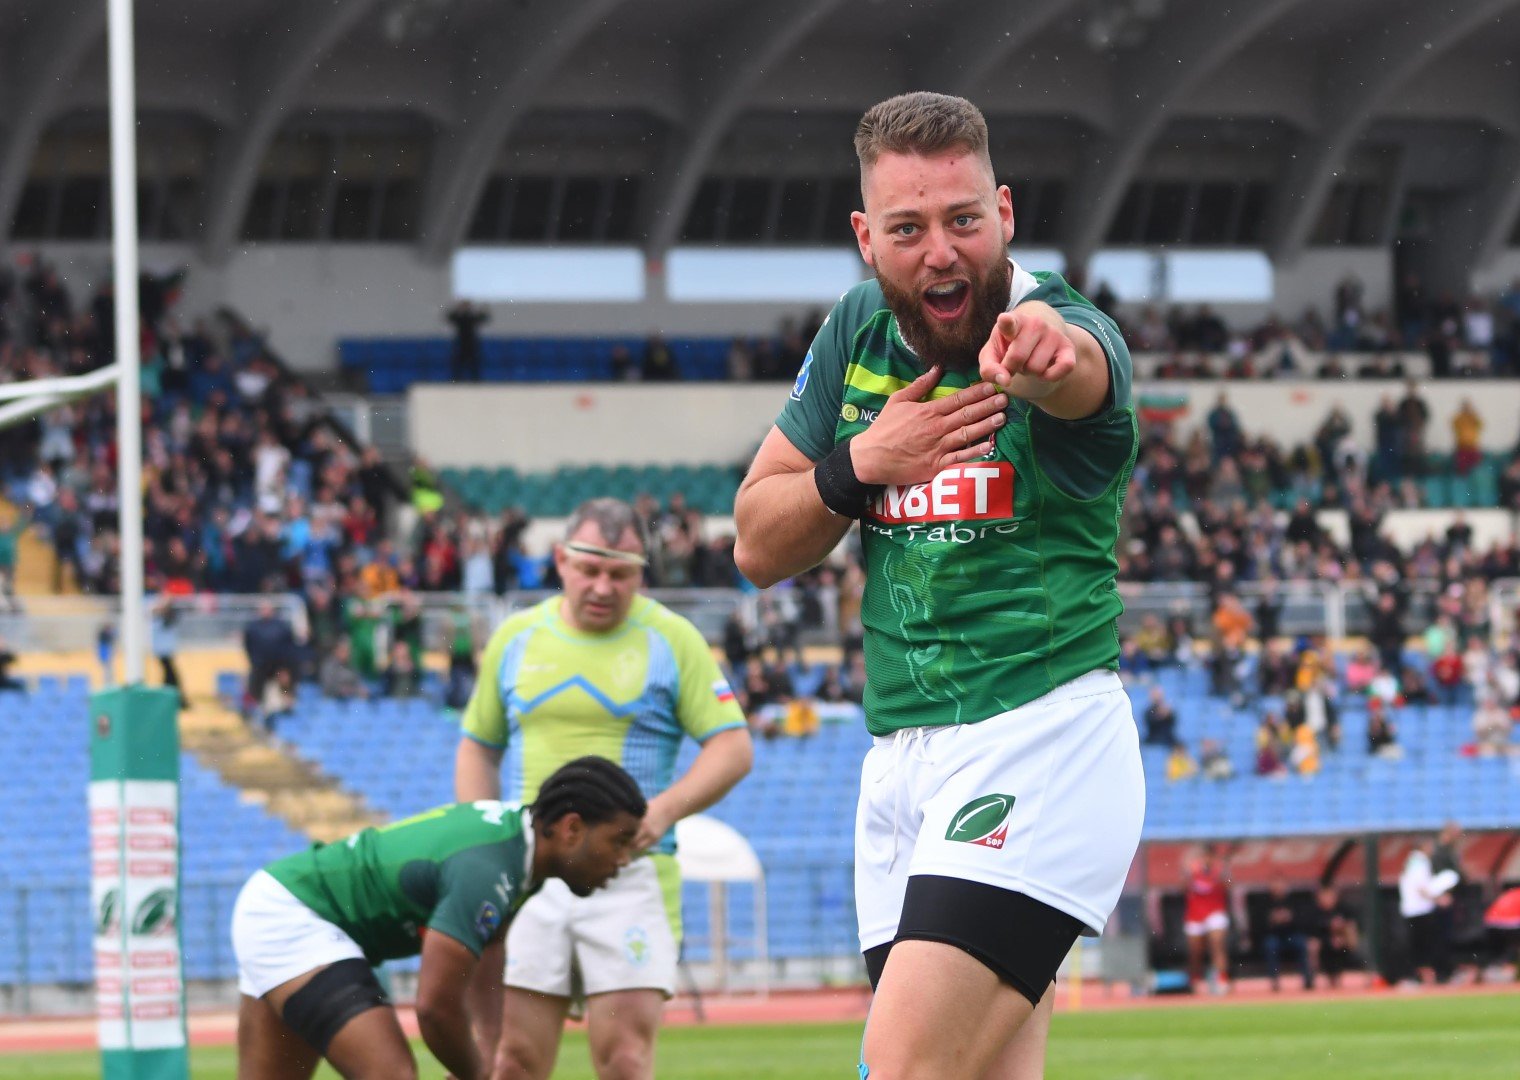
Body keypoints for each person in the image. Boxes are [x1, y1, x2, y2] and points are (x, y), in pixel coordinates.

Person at [733, 91, 1144, 1079]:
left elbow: (1075, 369)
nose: (941, 252)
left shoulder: (1060, 326)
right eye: (908, 228)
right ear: (864, 238)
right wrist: (857, 464)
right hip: (900, 765)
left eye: (963, 220)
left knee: (903, 1067)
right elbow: (755, 541)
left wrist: (1044, 355)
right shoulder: (853, 335)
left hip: (1036, 738)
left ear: (1002, 212)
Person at [454, 498, 752, 1080]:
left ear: (642, 571)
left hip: (629, 876)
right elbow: (476, 745)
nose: (602, 586)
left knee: (624, 1062)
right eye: (589, 569)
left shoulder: (673, 639)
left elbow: (733, 747)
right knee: (510, 1062)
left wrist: (662, 812)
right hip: (530, 880)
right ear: (561, 560)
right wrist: (485, 834)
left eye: (621, 573)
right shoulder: (515, 638)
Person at [232, 756, 645, 1080]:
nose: (624, 859)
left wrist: (489, 1049)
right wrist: (475, 1072)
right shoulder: (489, 870)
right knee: (389, 1074)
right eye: (619, 841)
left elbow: (490, 947)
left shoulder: (522, 852)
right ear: (572, 828)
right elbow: (435, 1008)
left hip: (284, 903)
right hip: (293, 915)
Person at [1183, 850, 1232, 994]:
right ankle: (1195, 978)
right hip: (1195, 914)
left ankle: (1222, 979)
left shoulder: (1219, 871)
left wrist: (1224, 872)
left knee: (1217, 944)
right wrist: (1188, 872)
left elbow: (1229, 887)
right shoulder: (1194, 871)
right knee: (1195, 951)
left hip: (1215, 912)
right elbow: (1183, 888)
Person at [1306, 885, 1360, 988]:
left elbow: (1351, 925)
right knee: (1314, 946)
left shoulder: (1343, 908)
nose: (1327, 899)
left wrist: (1342, 934)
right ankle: (1312, 979)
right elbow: (1313, 932)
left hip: (1342, 944)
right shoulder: (1315, 911)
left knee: (1348, 937)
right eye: (1324, 895)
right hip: (1324, 943)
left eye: (1330, 895)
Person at [1261, 881, 1311, 992]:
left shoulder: (1294, 901)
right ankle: (1274, 980)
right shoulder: (1264, 903)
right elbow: (1259, 926)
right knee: (1270, 945)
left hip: (1292, 935)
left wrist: (1289, 918)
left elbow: (1303, 922)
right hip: (1274, 936)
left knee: (1301, 943)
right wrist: (1273, 920)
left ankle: (1307, 978)